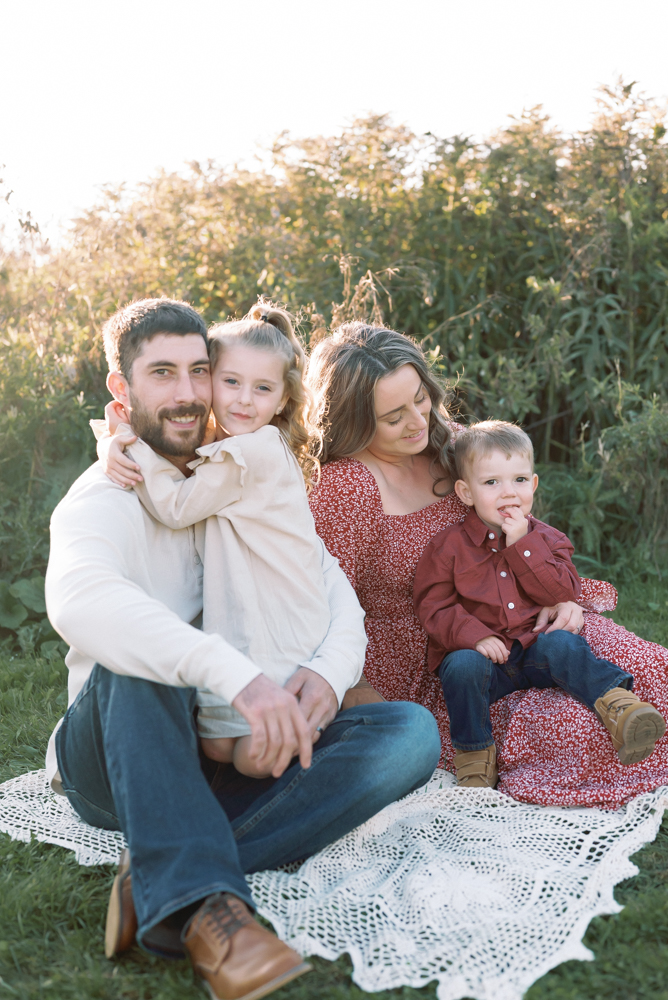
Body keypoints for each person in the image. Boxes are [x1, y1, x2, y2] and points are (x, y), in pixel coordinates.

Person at [45, 299, 441, 1000]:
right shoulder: (103, 496)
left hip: (227, 744)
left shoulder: (235, 474)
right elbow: (84, 603)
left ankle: (165, 867)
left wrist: (324, 674)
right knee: (140, 659)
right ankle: (206, 902)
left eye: (201, 371)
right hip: (119, 751)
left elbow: (330, 589)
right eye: (162, 373)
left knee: (407, 732)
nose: (190, 393)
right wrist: (240, 678)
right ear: (122, 390)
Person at [307, 321, 668, 809]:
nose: (417, 420)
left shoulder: (453, 443)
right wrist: (358, 694)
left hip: (524, 613)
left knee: (652, 669)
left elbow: (521, 521)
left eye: (420, 398)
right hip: (441, 661)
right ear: (353, 421)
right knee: (577, 729)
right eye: (394, 416)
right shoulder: (344, 490)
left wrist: (564, 598)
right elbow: (319, 605)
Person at [94, 302, 378, 778]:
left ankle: (311, 757)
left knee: (247, 760)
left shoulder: (254, 450)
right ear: (210, 383)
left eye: (262, 389)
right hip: (239, 618)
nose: (244, 400)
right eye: (230, 382)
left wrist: (126, 440)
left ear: (283, 399)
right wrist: (114, 436)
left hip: (276, 628)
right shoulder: (230, 443)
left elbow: (176, 505)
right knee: (220, 749)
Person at [413, 420, 665, 788]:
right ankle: (475, 755)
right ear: (465, 493)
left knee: (563, 642)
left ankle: (620, 707)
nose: (508, 493)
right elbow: (433, 605)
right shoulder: (446, 548)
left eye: (518, 480)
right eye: (491, 483)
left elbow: (561, 590)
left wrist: (522, 545)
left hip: (537, 650)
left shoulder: (548, 538)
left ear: (532, 485)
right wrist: (474, 636)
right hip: (488, 664)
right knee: (460, 665)